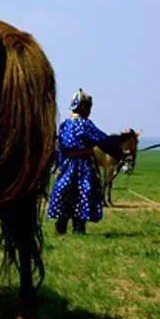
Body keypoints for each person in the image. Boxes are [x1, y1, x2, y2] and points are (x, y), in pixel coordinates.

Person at [48, 88, 109, 234]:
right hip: (82, 166)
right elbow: (102, 139)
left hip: (66, 165)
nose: (89, 111)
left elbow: (60, 145)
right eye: (88, 107)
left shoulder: (64, 124)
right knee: (84, 192)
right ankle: (78, 226)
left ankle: (62, 224)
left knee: (65, 192)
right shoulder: (84, 124)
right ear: (82, 107)